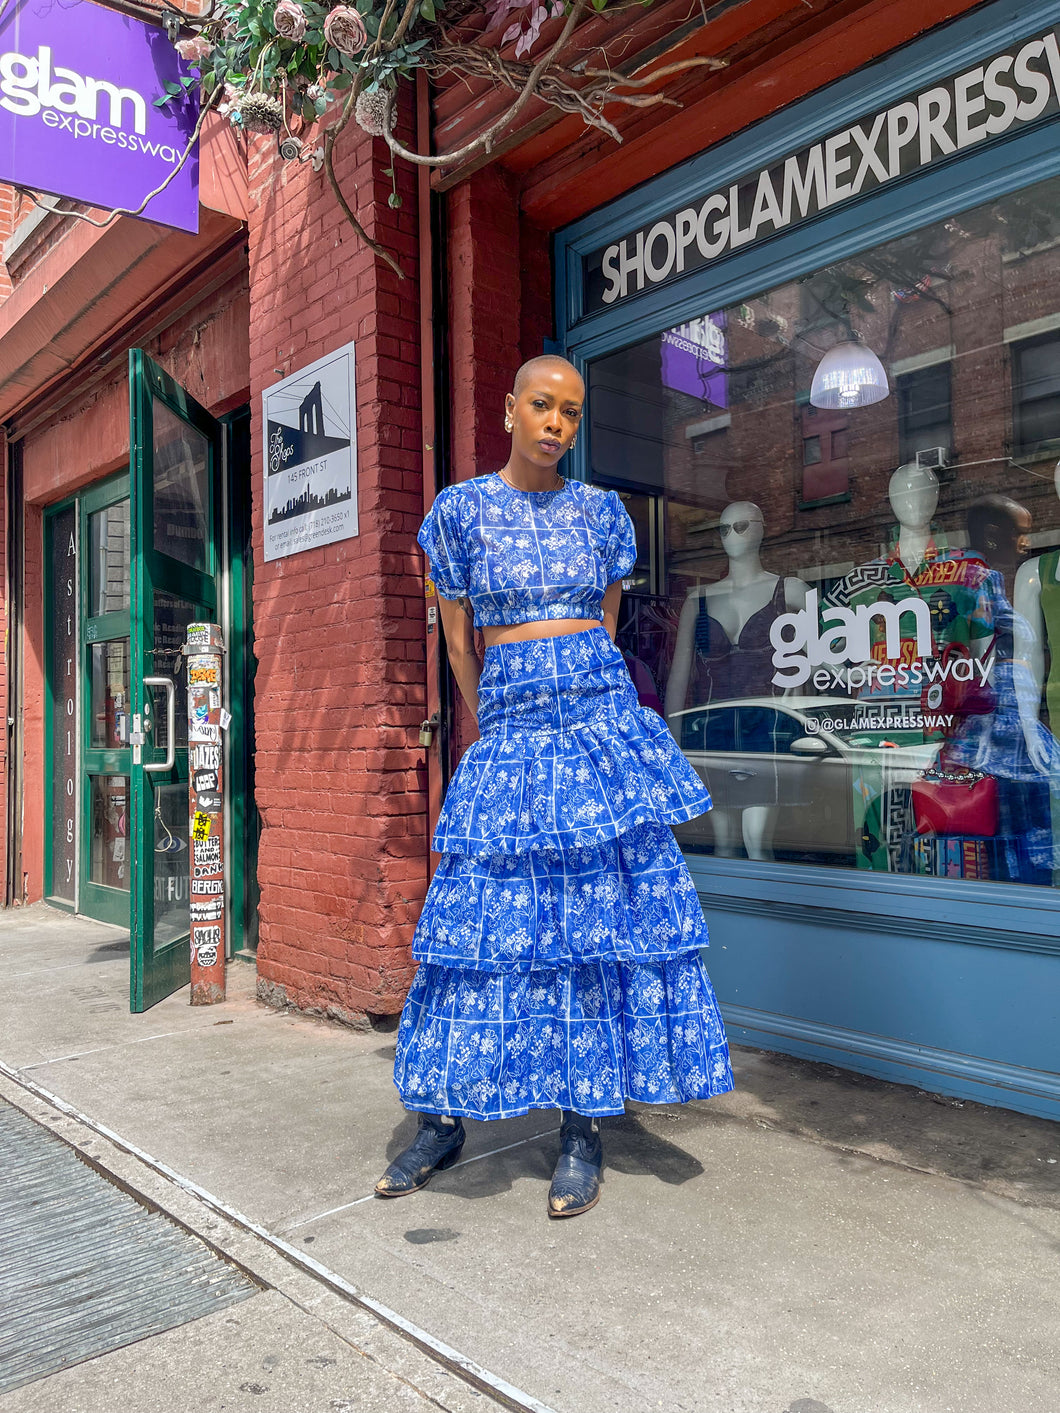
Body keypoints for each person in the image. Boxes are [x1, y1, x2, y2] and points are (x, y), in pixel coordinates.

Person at [374, 354, 734, 1218]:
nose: (556, 425)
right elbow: (460, 644)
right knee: (479, 931)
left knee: (590, 930)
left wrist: (574, 708)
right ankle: (443, 1118)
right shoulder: (458, 513)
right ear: (508, 407)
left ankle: (581, 1130)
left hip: (595, 736)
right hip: (511, 738)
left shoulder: (604, 514)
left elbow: (603, 628)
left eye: (571, 413)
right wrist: (500, 721)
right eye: (541, 405)